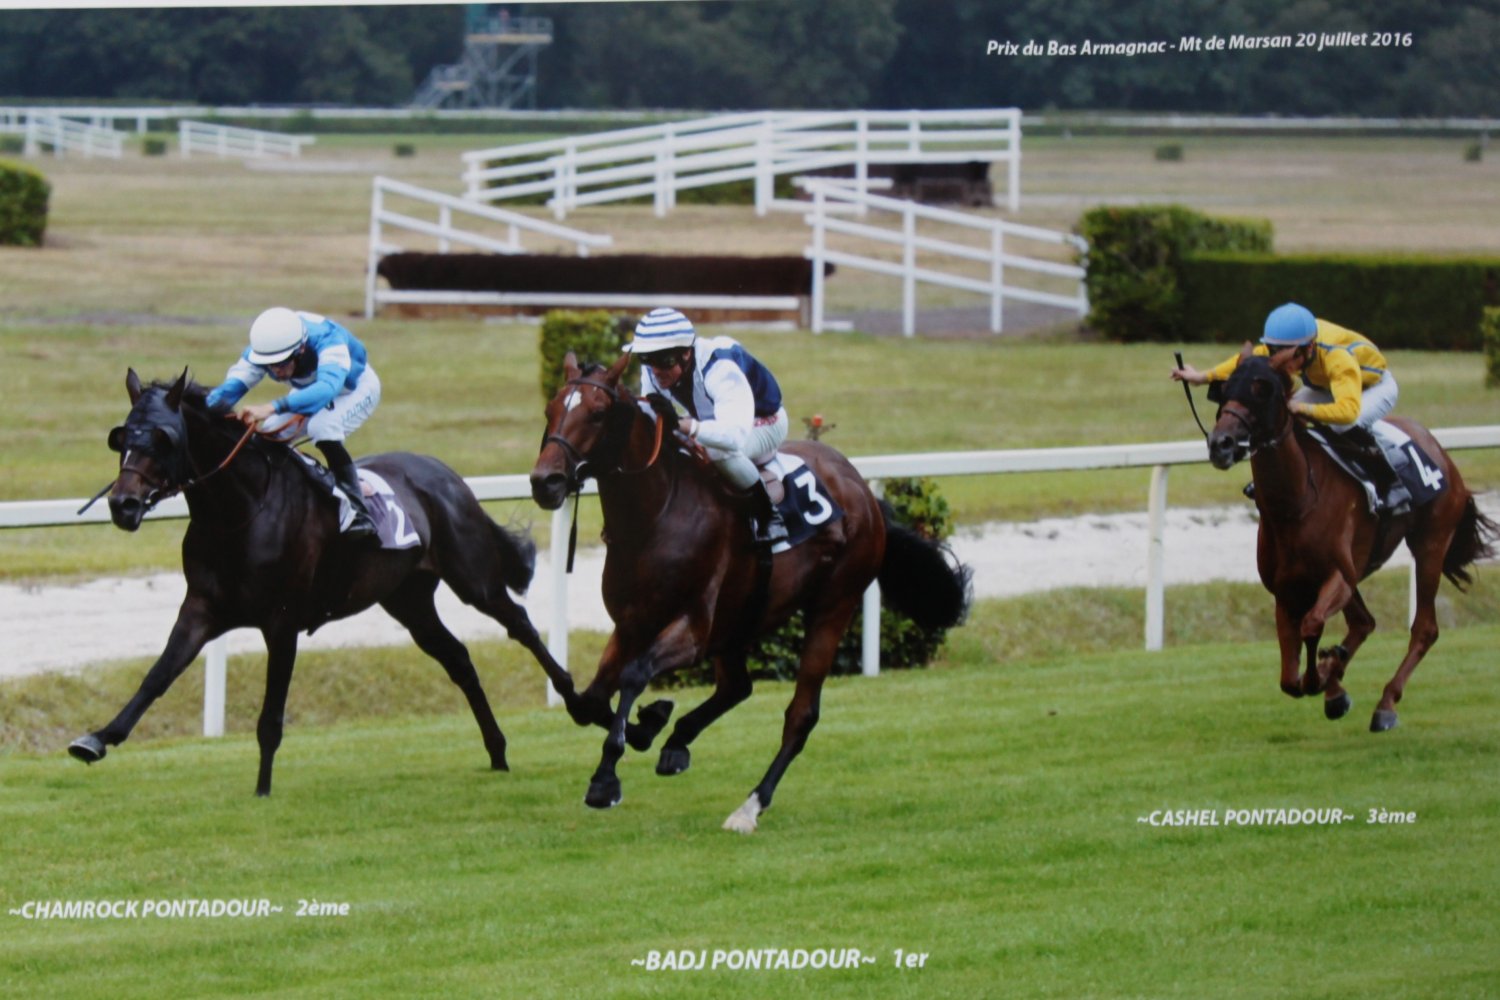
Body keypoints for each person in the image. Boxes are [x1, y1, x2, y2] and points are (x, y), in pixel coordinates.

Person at [1172, 302, 1410, 515]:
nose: (1279, 362)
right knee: (1283, 415)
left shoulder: (1338, 358)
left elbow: (1347, 411)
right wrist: (1201, 377)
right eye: (1274, 353)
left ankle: (1390, 482)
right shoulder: (1284, 346)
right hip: (1325, 385)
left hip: (1373, 388)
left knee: (1343, 424)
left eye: (1287, 356)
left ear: (1309, 348)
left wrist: (1304, 409)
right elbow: (1242, 361)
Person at [205, 307, 382, 539]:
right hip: (311, 390)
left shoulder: (327, 339)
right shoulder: (263, 349)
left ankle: (358, 510)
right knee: (267, 432)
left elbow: (327, 390)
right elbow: (229, 390)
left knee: (323, 427)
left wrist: (271, 407)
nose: (276, 372)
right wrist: (190, 412)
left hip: (353, 389)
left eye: (281, 363)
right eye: (269, 366)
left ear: (301, 349)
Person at [624, 307, 790, 543]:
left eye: (665, 360)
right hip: (714, 421)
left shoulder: (720, 368)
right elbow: (653, 420)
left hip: (764, 423)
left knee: (717, 449)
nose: (656, 370)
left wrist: (684, 425)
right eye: (647, 359)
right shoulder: (652, 370)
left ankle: (768, 515)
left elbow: (734, 437)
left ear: (686, 354)